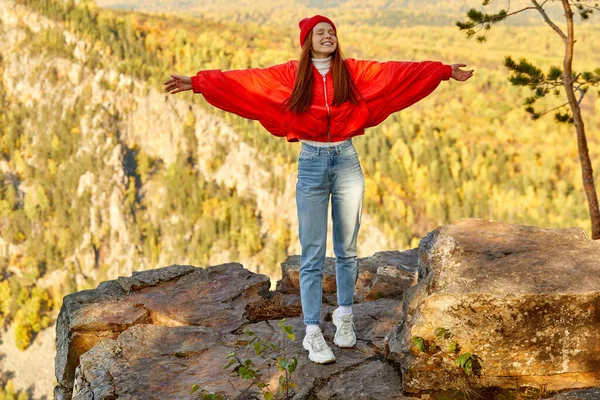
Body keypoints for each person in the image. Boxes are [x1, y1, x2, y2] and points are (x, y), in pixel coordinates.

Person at [164, 15, 473, 364]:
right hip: (311, 162)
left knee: (347, 249)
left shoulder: (352, 71)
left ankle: (344, 316)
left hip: (346, 162)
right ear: (307, 41)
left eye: (331, 32)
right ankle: (312, 331)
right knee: (312, 253)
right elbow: (247, 81)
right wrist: (199, 82)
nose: (327, 36)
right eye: (320, 33)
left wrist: (444, 71)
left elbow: (396, 73)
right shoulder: (289, 76)